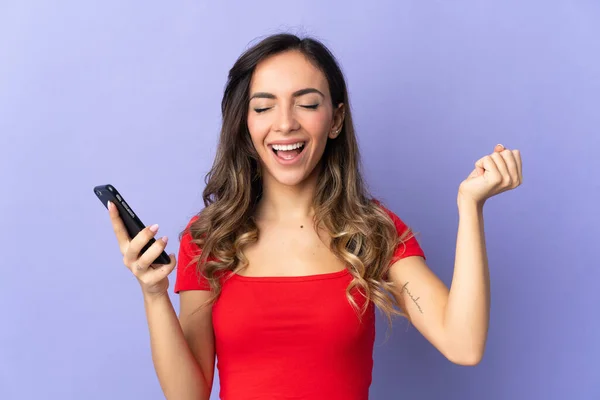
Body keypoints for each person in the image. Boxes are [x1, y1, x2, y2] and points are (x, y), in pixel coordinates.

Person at [107, 33, 523, 400]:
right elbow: (188, 395)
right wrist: (155, 294)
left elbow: (463, 344)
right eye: (264, 107)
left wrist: (471, 207)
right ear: (244, 125)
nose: (285, 124)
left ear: (336, 119)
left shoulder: (374, 232)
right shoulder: (209, 238)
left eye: (306, 104)